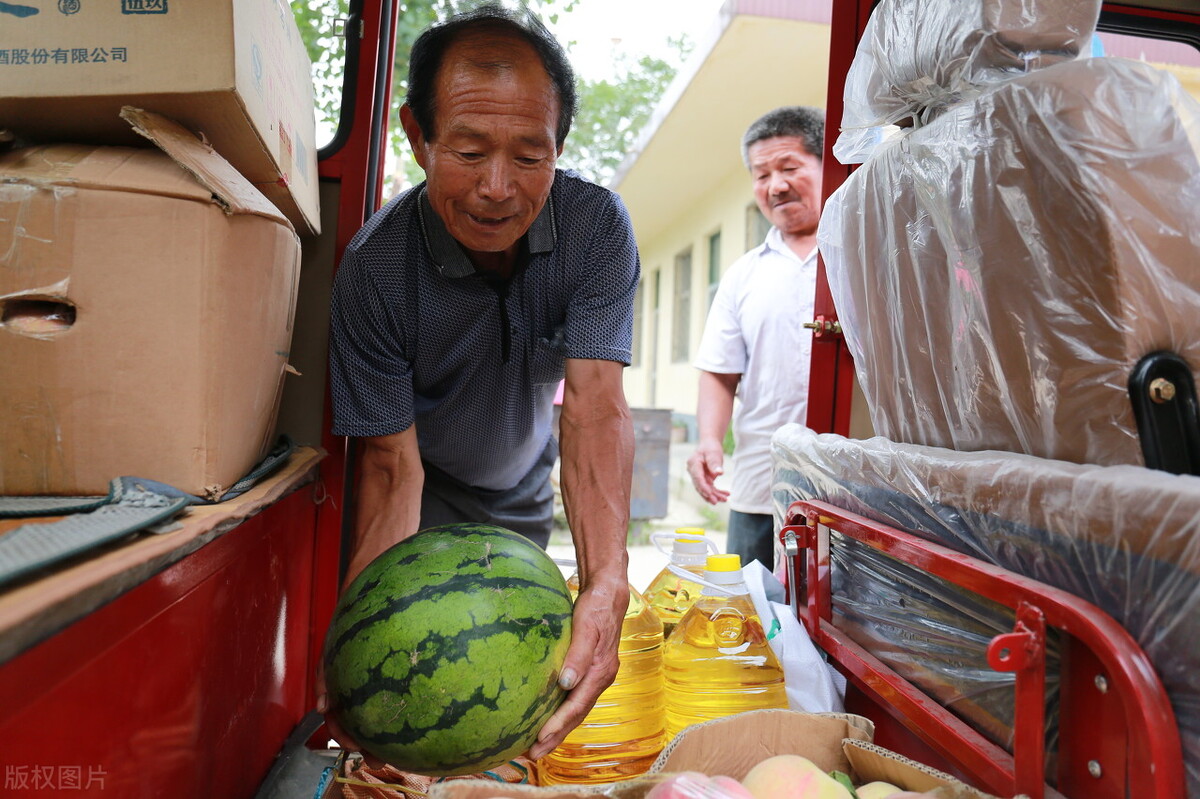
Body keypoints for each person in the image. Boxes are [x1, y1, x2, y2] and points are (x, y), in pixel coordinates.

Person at [323, 4, 638, 763]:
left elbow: (594, 408)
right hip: (426, 484)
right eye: (467, 150)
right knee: (414, 686)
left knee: (511, 697)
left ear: (559, 147)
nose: (498, 188)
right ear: (416, 135)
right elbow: (391, 468)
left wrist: (607, 581)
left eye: (531, 156)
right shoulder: (374, 272)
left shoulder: (596, 229)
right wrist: (360, 652)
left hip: (524, 479)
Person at [686, 106, 825, 570]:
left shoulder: (864, 254)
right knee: (749, 619)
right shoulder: (743, 274)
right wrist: (708, 438)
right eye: (762, 174)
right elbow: (720, 372)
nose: (776, 186)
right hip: (759, 486)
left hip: (851, 490)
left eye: (789, 168)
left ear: (830, 165)